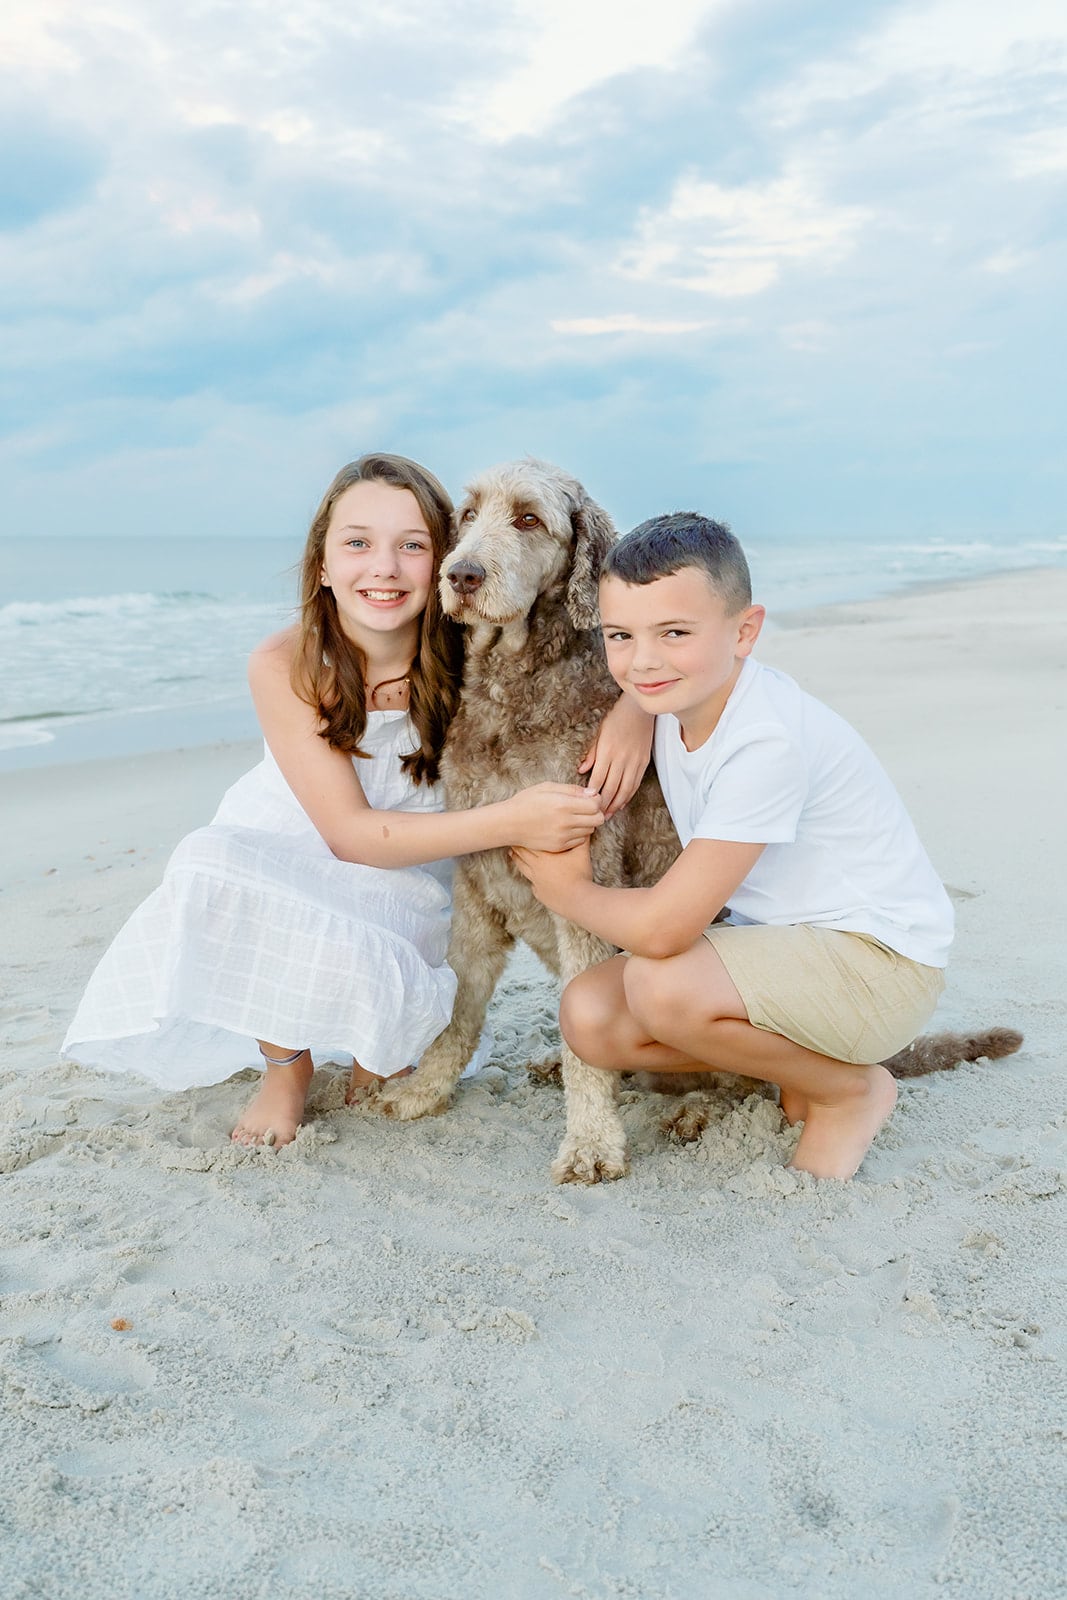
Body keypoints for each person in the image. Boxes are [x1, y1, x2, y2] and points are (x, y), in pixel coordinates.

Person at [63, 453, 647, 1148]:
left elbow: (633, 650)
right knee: (217, 867)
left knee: (406, 930)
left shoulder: (471, 641)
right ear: (321, 564)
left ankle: (377, 1043)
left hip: (414, 852)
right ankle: (285, 1069)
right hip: (307, 834)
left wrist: (634, 708)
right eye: (357, 544)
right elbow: (347, 835)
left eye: (411, 546)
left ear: (441, 558)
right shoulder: (284, 660)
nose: (385, 568)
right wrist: (518, 819)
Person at [511, 512, 954, 1182]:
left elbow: (664, 930)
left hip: (879, 968)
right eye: (619, 637)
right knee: (589, 1017)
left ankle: (848, 1092)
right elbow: (647, 674)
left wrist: (564, 890)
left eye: (674, 634)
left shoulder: (764, 741)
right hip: (792, 953)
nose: (643, 660)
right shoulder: (674, 698)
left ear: (745, 630)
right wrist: (629, 710)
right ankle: (811, 1069)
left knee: (660, 983)